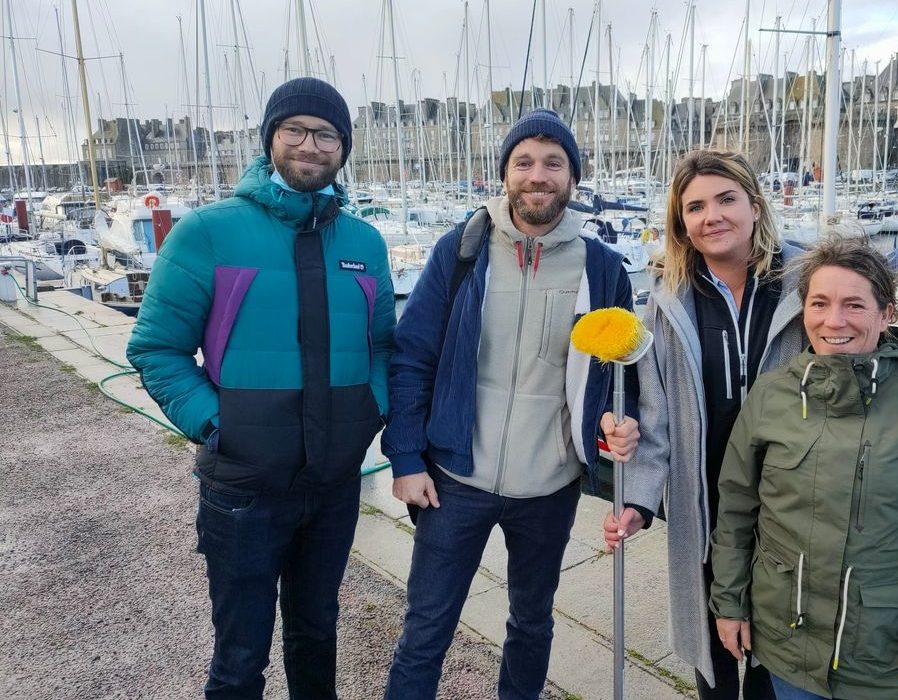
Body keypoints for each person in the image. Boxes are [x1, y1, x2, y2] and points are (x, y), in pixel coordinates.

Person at [127, 77, 395, 698]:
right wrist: (220, 426)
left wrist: (370, 411)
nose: (310, 144)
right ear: (271, 138)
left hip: (332, 484)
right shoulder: (208, 232)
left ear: (343, 147)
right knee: (241, 655)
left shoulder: (364, 242)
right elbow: (156, 348)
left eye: (326, 133)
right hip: (243, 488)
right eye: (294, 129)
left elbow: (383, 345)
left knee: (316, 635)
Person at [381, 108, 640, 700]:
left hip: (549, 486)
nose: (537, 175)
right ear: (505, 173)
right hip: (455, 477)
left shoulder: (601, 268)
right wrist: (405, 458)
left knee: (531, 622)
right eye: (523, 162)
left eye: (554, 163)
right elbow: (413, 356)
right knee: (425, 630)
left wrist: (618, 428)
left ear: (573, 178)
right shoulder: (462, 250)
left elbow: (620, 376)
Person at [709, 237, 898, 700]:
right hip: (786, 651)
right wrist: (730, 603)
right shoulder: (772, 394)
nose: (833, 320)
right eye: (819, 303)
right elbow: (737, 509)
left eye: (854, 305)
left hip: (886, 661)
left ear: (886, 314)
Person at [605, 149, 804, 700]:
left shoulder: (806, 289)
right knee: (713, 668)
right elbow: (655, 419)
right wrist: (639, 504)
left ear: (756, 206)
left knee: (776, 666)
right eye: (695, 207)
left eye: (725, 199)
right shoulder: (667, 307)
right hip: (705, 511)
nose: (711, 215)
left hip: (787, 512)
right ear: (682, 225)